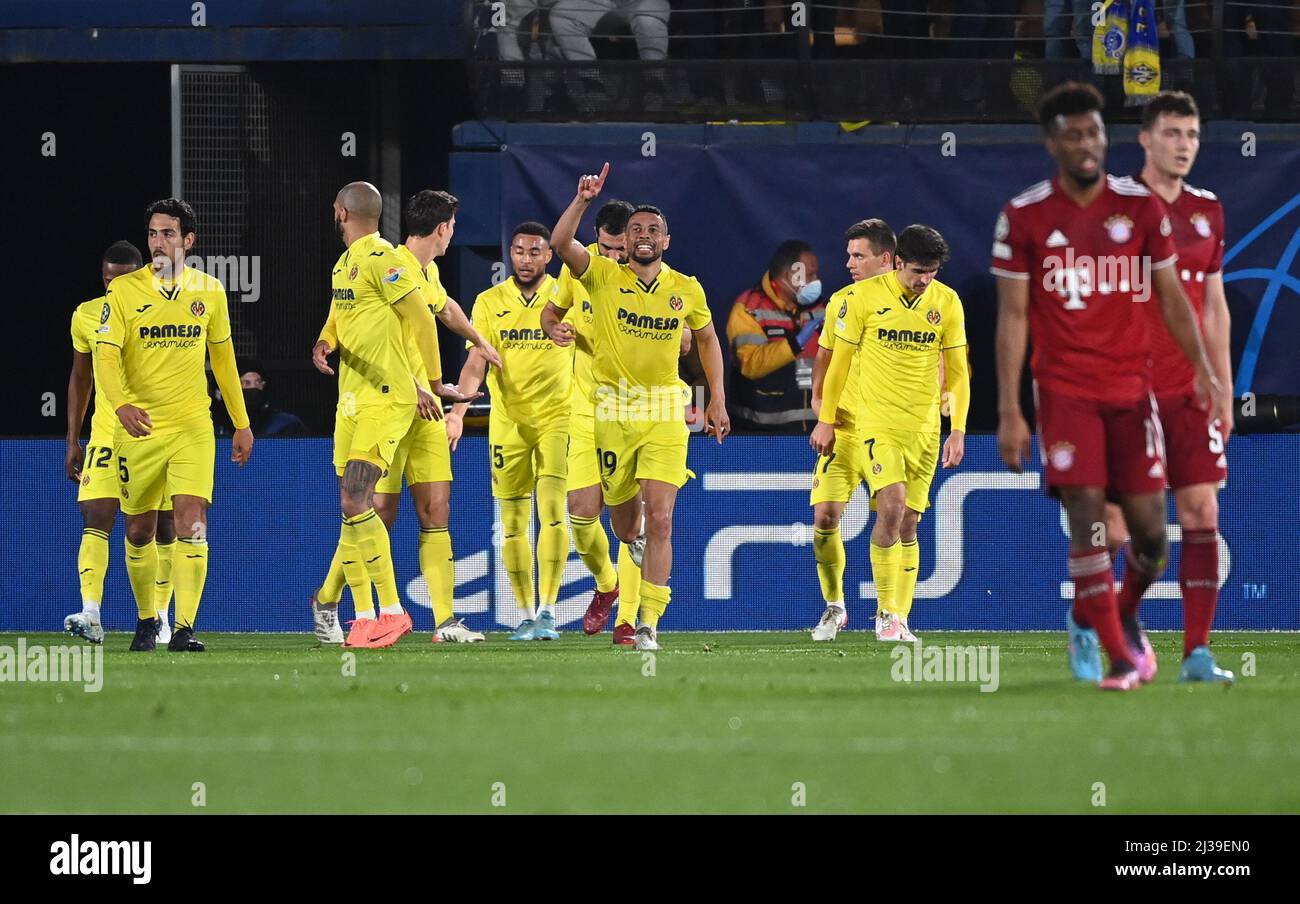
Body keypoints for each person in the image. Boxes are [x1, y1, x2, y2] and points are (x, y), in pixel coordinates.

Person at [991, 82, 1224, 691]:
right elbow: (1013, 317)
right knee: (1093, 523)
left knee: (1151, 540)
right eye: (1073, 135)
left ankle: (1105, 619)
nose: (1087, 144)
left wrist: (1205, 368)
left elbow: (1176, 298)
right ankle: (1121, 658)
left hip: (1133, 392)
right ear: (1052, 144)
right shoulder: (1024, 216)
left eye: (1094, 132)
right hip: (1065, 392)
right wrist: (1010, 410)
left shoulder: (1141, 210)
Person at [543, 163, 731, 651]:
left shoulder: (686, 288)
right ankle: (623, 569)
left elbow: (708, 339)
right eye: (635, 230)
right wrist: (582, 200)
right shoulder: (601, 276)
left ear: (666, 241)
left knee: (662, 516)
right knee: (627, 527)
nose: (643, 236)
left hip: (666, 411)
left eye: (653, 230)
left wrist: (717, 401)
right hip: (610, 412)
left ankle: (648, 621)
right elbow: (562, 245)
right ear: (624, 242)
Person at [314, 189, 499, 645]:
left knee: (436, 509)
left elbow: (446, 310)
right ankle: (330, 600)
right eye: (453, 225)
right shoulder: (387, 262)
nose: (454, 233)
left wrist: (479, 340)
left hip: (425, 410)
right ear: (442, 228)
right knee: (378, 509)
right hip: (399, 400)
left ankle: (445, 621)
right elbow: (369, 325)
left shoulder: (427, 272)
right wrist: (423, 384)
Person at [1098, 91, 1234, 682]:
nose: (1184, 145)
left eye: (1193, 135)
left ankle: (1197, 653)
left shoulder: (1208, 210)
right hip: (1126, 389)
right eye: (1173, 133)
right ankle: (1114, 620)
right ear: (1145, 139)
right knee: (1130, 528)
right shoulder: (1114, 208)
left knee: (1202, 510)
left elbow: (1216, 308)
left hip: (1189, 392)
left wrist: (1224, 388)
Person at [95, 199, 255, 652]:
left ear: (188, 240)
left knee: (192, 521)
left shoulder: (209, 291)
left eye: (167, 233)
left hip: (192, 426)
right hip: (140, 428)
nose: (158, 242)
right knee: (139, 530)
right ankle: (148, 618)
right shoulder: (124, 292)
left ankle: (184, 628)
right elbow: (105, 357)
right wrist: (122, 403)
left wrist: (240, 423)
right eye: (152, 233)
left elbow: (223, 361)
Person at [811, 225, 970, 645]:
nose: (925, 279)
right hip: (869, 424)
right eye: (919, 270)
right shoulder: (858, 300)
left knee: (910, 524)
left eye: (932, 272)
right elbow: (835, 363)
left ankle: (897, 616)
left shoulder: (947, 302)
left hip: (924, 429)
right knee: (886, 507)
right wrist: (825, 417)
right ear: (898, 262)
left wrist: (958, 429)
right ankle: (867, 610)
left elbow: (957, 372)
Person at [449, 222, 574, 641]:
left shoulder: (566, 297)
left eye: (534, 251)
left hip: (559, 418)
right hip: (508, 423)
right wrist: (459, 410)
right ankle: (524, 614)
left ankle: (548, 610)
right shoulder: (488, 302)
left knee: (554, 511)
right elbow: (476, 362)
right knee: (513, 522)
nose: (525, 259)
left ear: (549, 256)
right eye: (518, 251)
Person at [64, 240, 179, 645]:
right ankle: (91, 612)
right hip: (106, 436)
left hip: (154, 433)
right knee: (95, 517)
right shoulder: (88, 315)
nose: (113, 286)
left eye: (122, 279)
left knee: (159, 529)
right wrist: (72, 439)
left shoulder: (164, 309)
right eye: (107, 279)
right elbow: (82, 379)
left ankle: (160, 616)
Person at [550, 199, 644, 645]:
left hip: (635, 412)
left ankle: (627, 622)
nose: (611, 256)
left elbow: (686, 334)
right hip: (587, 408)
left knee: (633, 526)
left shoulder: (651, 275)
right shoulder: (582, 268)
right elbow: (553, 311)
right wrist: (555, 327)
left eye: (618, 249)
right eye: (605, 247)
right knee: (582, 516)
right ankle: (608, 585)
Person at [807, 219, 896, 641]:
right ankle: (835, 606)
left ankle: (887, 613)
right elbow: (824, 355)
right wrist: (819, 405)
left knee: (893, 521)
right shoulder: (840, 302)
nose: (849, 263)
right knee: (824, 517)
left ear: (886, 259)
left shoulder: (912, 301)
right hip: (842, 427)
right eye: (849, 255)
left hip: (887, 430)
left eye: (858, 256)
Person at [726, 240, 824, 433]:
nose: (816, 280)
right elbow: (751, 363)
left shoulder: (822, 308)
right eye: (810, 274)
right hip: (760, 435)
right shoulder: (748, 309)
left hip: (815, 433)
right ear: (791, 275)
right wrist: (795, 344)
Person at [550, 0, 671, 62]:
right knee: (562, 15)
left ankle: (655, 86)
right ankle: (592, 86)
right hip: (604, 2)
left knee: (647, 22)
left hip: (645, 2)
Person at [214, 366, 307, 437]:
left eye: (258, 382)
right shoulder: (215, 426)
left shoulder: (286, 424)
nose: (253, 388)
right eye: (246, 383)